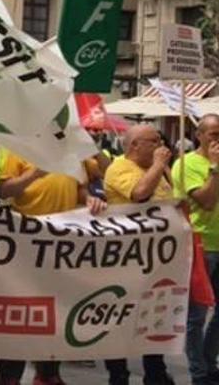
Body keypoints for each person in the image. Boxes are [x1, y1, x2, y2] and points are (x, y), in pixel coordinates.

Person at [0, 151, 106, 385]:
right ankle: (9, 378)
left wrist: (88, 199)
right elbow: (4, 191)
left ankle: (48, 373)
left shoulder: (72, 151)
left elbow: (79, 188)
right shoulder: (20, 148)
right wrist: (34, 174)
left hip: (61, 245)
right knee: (18, 316)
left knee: (56, 312)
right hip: (26, 243)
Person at [102, 124, 175, 385]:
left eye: (159, 141)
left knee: (155, 316)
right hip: (126, 257)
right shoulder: (119, 168)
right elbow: (139, 194)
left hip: (156, 258)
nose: (160, 146)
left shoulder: (159, 168)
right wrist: (158, 166)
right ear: (134, 145)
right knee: (121, 319)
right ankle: (118, 375)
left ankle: (155, 372)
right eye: (153, 141)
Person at [174, 114, 219, 385]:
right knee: (198, 313)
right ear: (199, 135)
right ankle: (198, 371)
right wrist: (214, 168)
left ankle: (208, 359)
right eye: (213, 134)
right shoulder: (186, 164)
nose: (217, 139)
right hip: (201, 243)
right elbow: (206, 202)